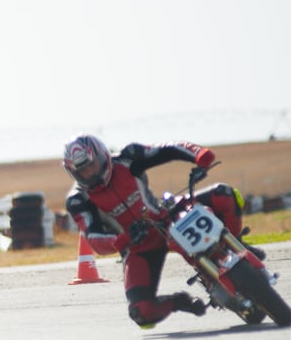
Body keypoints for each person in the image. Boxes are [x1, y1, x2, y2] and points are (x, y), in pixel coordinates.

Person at [62, 134, 262, 329]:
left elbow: (169, 149)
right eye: (83, 172)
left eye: (92, 165)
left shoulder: (128, 157)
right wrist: (123, 238)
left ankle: (235, 245)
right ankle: (179, 301)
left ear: (102, 155)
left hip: (166, 218)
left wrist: (200, 155)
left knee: (225, 194)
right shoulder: (78, 200)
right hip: (137, 245)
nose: (90, 174)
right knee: (142, 313)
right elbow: (94, 238)